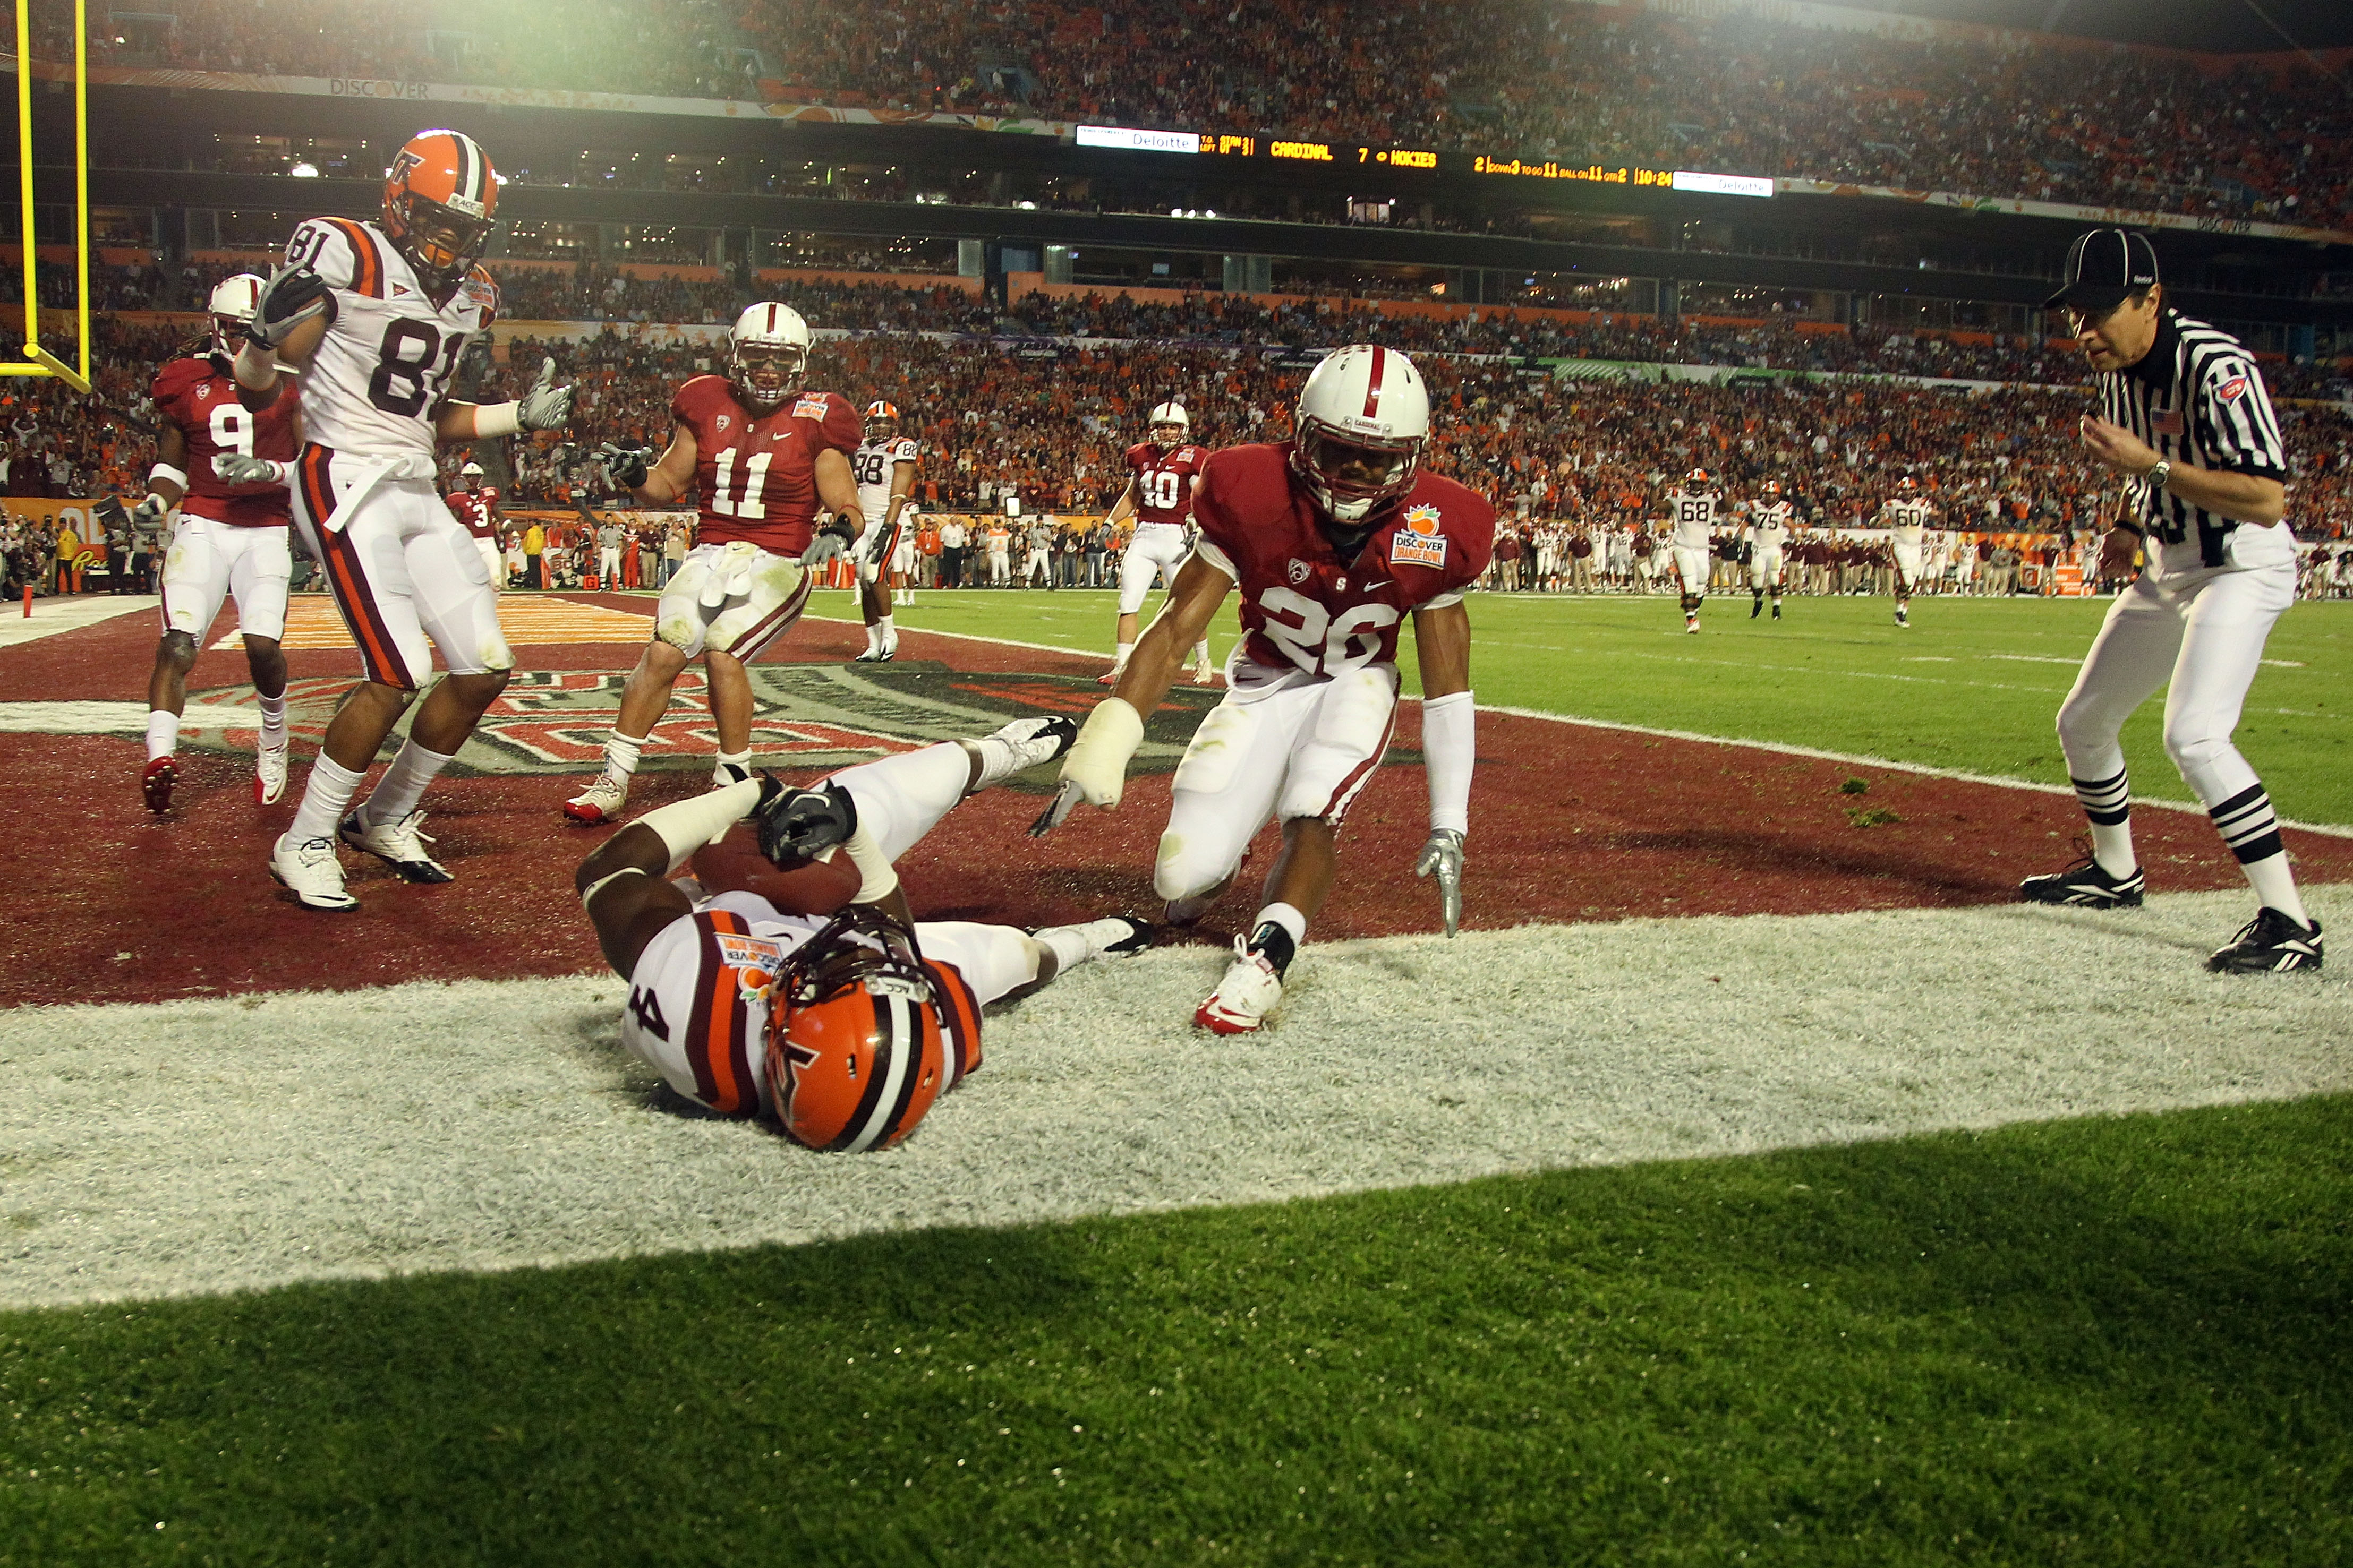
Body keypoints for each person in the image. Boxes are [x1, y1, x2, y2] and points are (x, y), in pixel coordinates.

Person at [1035, 345, 1494, 1033]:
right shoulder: (1248, 486)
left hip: (1354, 683)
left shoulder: (1440, 522)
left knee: (1313, 808)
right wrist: (1109, 736)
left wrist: (1448, 821)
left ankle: (1268, 958)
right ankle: (1233, 844)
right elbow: (1175, 626)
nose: (1356, 473)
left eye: (1379, 457)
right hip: (1259, 684)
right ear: (1304, 434)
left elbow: (1448, 688)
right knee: (1178, 883)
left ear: (1412, 456)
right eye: (1339, 451)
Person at [228, 127, 576, 911]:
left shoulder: (475, 292)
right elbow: (266, 384)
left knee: (483, 666)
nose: (451, 243)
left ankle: (382, 814)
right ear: (397, 199)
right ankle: (305, 838)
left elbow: (426, 409)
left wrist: (515, 415)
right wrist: (257, 345)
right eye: (438, 221)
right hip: (344, 475)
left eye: (466, 229)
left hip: (417, 482)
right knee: (396, 671)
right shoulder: (343, 249)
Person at [573, 715, 1147, 1146]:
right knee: (1017, 957)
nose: (858, 953)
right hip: (847, 980)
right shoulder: (927, 1040)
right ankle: (1084, 936)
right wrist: (853, 838)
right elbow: (892, 933)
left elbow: (603, 873)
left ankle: (991, 756)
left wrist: (752, 797)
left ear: (781, 1034)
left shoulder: (698, 1013)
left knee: (824, 815)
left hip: (731, 905)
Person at [2020, 228, 2321, 972]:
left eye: (2096, 311)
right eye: (2073, 314)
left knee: (2194, 736)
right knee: (2083, 721)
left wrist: (2149, 468)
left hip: (2237, 565)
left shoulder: (2215, 366)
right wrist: (2127, 523)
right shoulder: (2116, 370)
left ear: (2149, 300)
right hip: (2167, 562)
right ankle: (2116, 872)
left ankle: (2290, 922)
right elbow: (2142, 466)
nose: (2081, 330)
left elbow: (2266, 499)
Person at [564, 302, 862, 825]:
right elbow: (666, 486)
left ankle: (733, 778)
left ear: (801, 362)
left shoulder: (821, 415)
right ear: (735, 354)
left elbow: (848, 507)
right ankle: (612, 776)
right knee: (663, 652)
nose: (769, 369)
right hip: (710, 554)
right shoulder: (704, 400)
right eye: (756, 355)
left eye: (780, 358)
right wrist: (635, 475)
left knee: (724, 653)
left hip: (778, 562)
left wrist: (838, 532)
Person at [134, 273, 298, 812]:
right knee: (178, 643)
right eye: (231, 328)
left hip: (267, 527)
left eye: (249, 329)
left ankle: (274, 736)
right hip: (203, 523)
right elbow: (171, 462)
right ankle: (160, 756)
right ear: (214, 326)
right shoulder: (187, 379)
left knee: (262, 646)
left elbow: (313, 464)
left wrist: (269, 470)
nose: (240, 339)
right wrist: (156, 502)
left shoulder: (296, 380)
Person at [1097, 402, 1215, 687]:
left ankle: (1203, 661)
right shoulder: (1141, 455)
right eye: (1163, 426)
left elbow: (1202, 495)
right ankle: (1122, 666)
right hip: (1145, 534)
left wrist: (1196, 525)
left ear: (1183, 430)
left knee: (1187, 604)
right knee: (1128, 601)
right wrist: (1110, 523)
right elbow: (1132, 495)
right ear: (1154, 428)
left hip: (1177, 535)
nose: (1168, 432)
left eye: (1173, 427)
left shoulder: (1194, 457)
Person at [848, 398, 917, 661]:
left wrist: (888, 527)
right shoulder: (861, 447)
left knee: (874, 572)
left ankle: (890, 634)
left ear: (894, 425)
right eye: (876, 422)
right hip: (862, 521)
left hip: (884, 519)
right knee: (864, 581)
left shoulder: (902, 446)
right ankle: (873, 643)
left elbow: (899, 493)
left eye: (885, 422)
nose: (880, 427)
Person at [1878, 475, 1936, 628]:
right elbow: (1882, 518)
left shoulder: (1922, 503)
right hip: (1901, 545)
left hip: (1917, 547)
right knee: (1907, 580)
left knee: (1912, 582)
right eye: (1904, 490)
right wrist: (1880, 518)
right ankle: (1899, 614)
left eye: (1910, 490)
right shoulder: (1892, 504)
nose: (1907, 493)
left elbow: (1934, 513)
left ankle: (1902, 612)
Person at [1667, 468, 1719, 633]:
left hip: (1702, 548)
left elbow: (1729, 506)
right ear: (1688, 484)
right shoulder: (1678, 497)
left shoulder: (1710, 498)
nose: (1696, 486)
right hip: (1683, 545)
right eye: (1693, 483)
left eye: (1699, 483)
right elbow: (1656, 506)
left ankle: (1692, 613)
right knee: (1690, 581)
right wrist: (1654, 487)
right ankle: (1691, 620)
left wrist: (1722, 488)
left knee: (1702, 583)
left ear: (1704, 485)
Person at [446, 460, 504, 590]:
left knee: (496, 581)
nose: (473, 480)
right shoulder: (458, 500)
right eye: (470, 477)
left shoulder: (489, 495)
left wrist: (510, 529)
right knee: (467, 582)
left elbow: (499, 515)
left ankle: (491, 609)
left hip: (488, 542)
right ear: (464, 479)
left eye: (476, 477)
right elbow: (453, 524)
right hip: (469, 543)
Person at [1747, 479, 1792, 621]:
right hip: (1759, 548)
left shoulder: (1783, 508)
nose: (1770, 497)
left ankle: (1776, 609)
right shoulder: (1756, 506)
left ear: (1777, 496)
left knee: (1775, 579)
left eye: (1773, 494)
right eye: (1767, 494)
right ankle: (1759, 601)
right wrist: (1740, 536)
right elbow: (1746, 522)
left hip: (1775, 548)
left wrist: (1788, 540)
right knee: (1757, 582)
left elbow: (1792, 527)